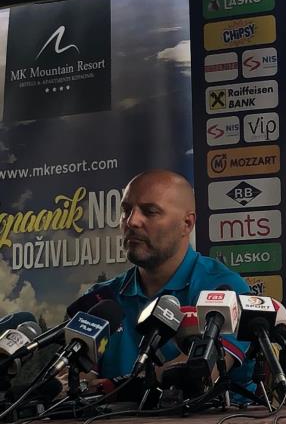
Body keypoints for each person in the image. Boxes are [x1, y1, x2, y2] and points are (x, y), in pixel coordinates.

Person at [87, 169, 251, 394]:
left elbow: (199, 373)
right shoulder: (100, 299)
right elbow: (74, 379)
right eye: (126, 210)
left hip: (204, 418)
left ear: (187, 223)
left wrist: (113, 388)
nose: (132, 221)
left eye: (150, 212)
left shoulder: (224, 289)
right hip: (111, 418)